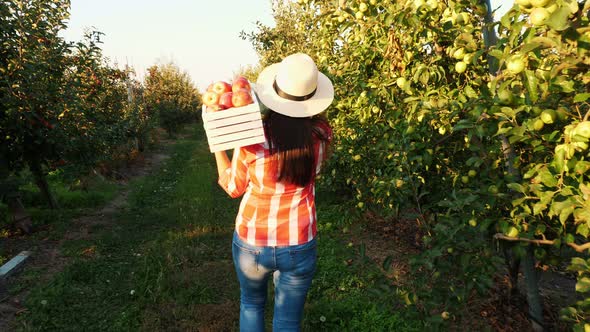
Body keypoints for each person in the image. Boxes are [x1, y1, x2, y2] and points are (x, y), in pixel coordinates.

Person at [212, 53, 334, 332]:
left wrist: (220, 141)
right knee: (288, 320)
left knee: (252, 304)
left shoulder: (252, 137)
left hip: (253, 240)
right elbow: (312, 175)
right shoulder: (321, 135)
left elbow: (232, 186)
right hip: (299, 239)